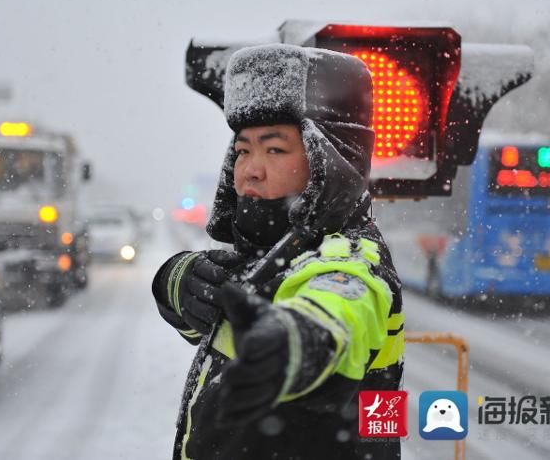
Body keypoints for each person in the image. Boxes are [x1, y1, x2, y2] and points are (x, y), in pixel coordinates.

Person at [152, 44, 404, 460]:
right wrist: (175, 282)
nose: (250, 168)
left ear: (330, 160)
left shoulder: (350, 258)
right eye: (242, 150)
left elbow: (336, 309)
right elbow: (209, 327)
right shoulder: (272, 247)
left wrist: (292, 344)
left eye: (274, 149)